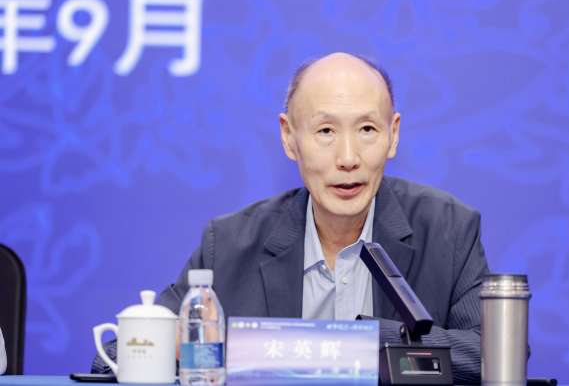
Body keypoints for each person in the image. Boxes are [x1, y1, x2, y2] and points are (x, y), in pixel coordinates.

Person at [93, 53, 492, 384]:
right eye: (326, 131)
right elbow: (111, 359)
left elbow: (493, 356)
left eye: (367, 129)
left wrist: (360, 343)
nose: (348, 158)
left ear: (393, 134)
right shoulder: (229, 243)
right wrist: (192, 346)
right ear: (289, 137)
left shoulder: (448, 230)